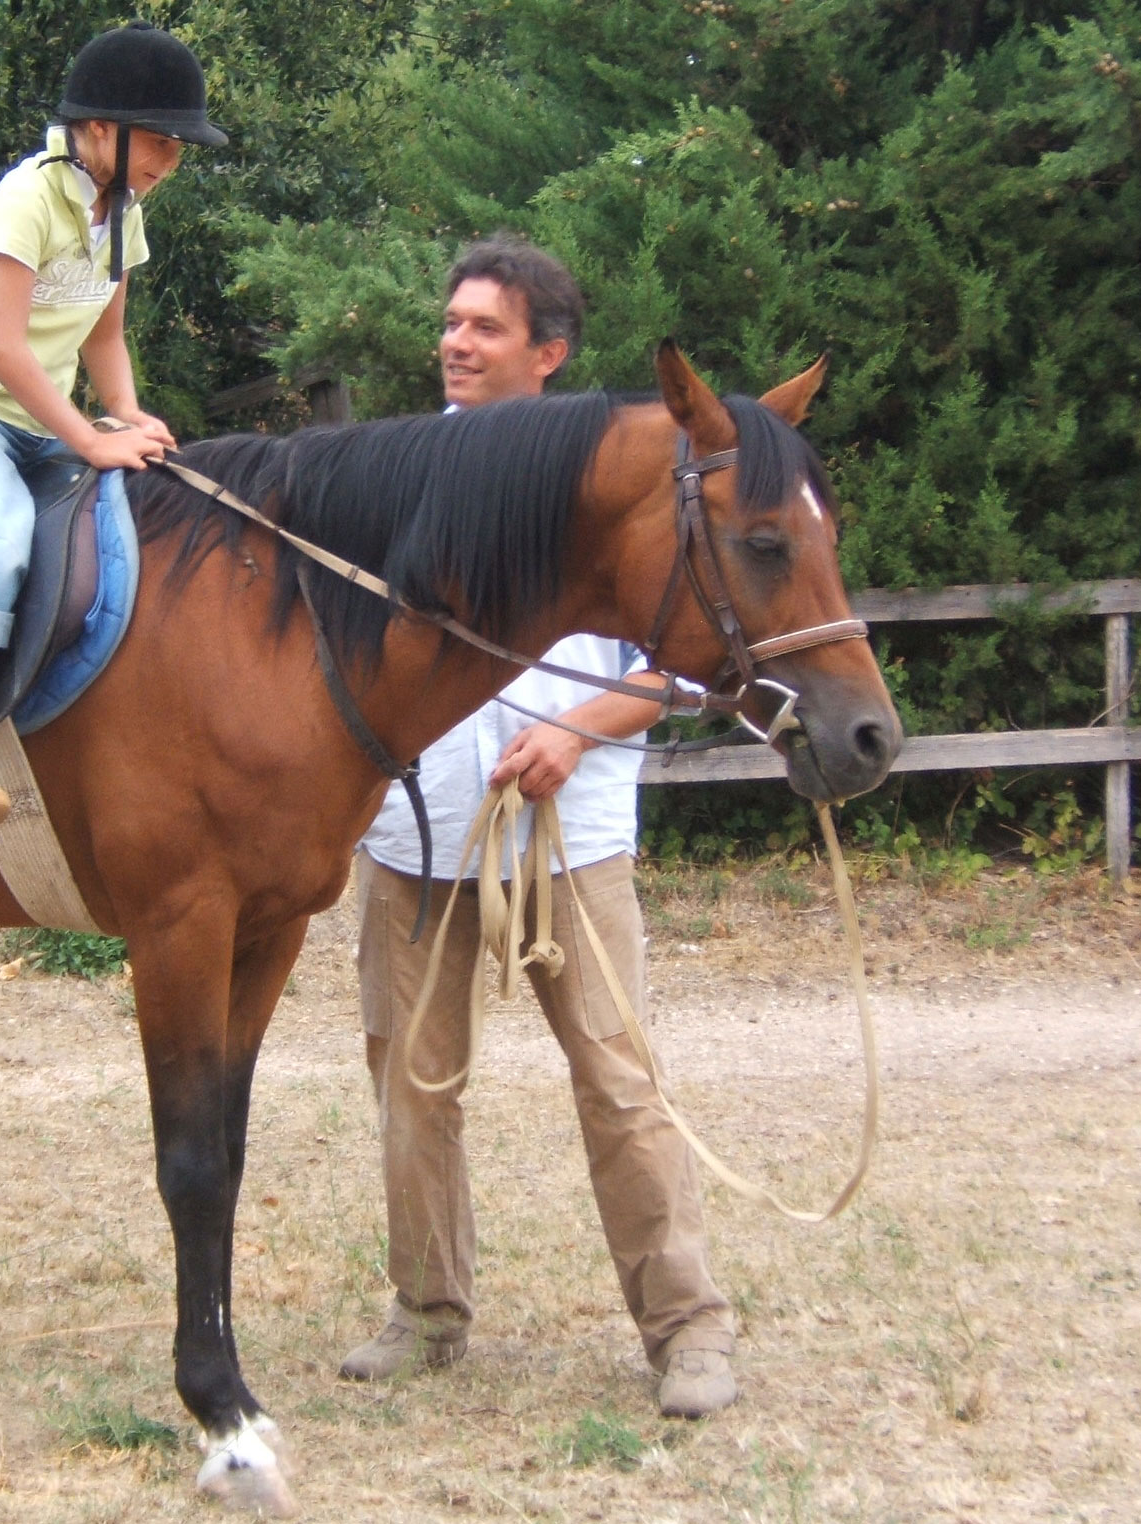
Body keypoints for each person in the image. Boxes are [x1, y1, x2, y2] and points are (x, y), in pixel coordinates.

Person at [341, 235, 738, 1419]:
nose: (455, 341)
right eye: (451, 321)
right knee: (412, 1085)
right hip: (420, 834)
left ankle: (687, 1329)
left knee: (620, 1085)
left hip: (571, 840)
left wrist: (572, 730)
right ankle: (425, 1312)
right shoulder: (394, 472)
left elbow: (674, 666)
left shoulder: (613, 476)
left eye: (486, 327)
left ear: (548, 353)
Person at [0, 21, 226, 837]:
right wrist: (88, 438)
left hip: (49, 418)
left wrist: (130, 413)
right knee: (2, 540)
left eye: (178, 146)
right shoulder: (23, 202)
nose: (170, 161)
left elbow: (103, 335)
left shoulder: (124, 211)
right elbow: (6, 351)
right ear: (98, 129)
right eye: (159, 141)